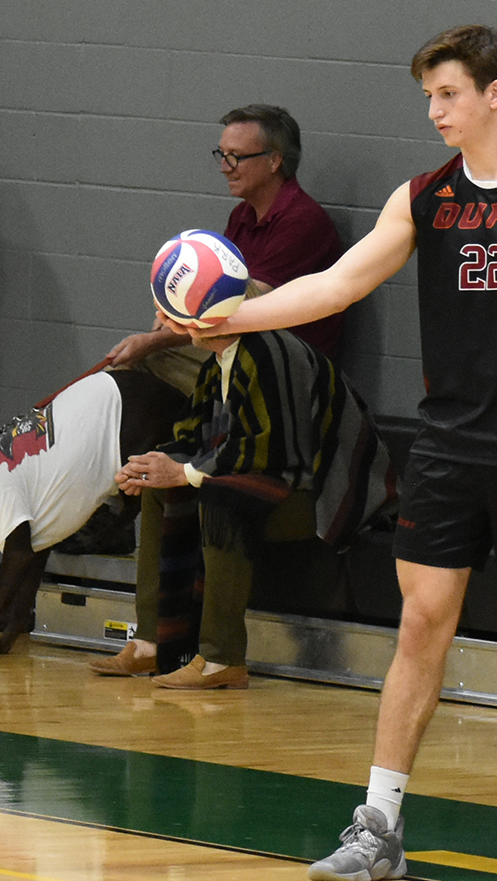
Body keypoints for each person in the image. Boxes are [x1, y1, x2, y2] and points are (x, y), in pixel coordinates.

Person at [171, 25, 497, 881]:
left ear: (494, 93)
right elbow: (336, 283)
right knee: (419, 627)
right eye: (428, 98)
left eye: (447, 94)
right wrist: (227, 317)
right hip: (448, 447)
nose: (435, 111)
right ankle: (379, 825)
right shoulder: (424, 197)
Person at [85, 105, 345, 678]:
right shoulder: (239, 218)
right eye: (220, 153)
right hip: (243, 376)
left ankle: (220, 658)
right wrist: (169, 463)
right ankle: (153, 643)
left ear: (274, 160)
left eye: (237, 155)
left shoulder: (302, 223)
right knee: (160, 468)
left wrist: (155, 341)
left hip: (289, 395)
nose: (225, 165)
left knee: (216, 493)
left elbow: (243, 309)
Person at [114, 317, 394, 690]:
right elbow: (194, 434)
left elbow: (274, 453)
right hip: (285, 478)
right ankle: (153, 642)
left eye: (168, 313)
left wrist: (185, 473)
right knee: (160, 490)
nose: (160, 322)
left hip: (332, 492)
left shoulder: (270, 353)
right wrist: (150, 467)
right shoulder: (220, 361)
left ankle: (221, 659)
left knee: (222, 502)